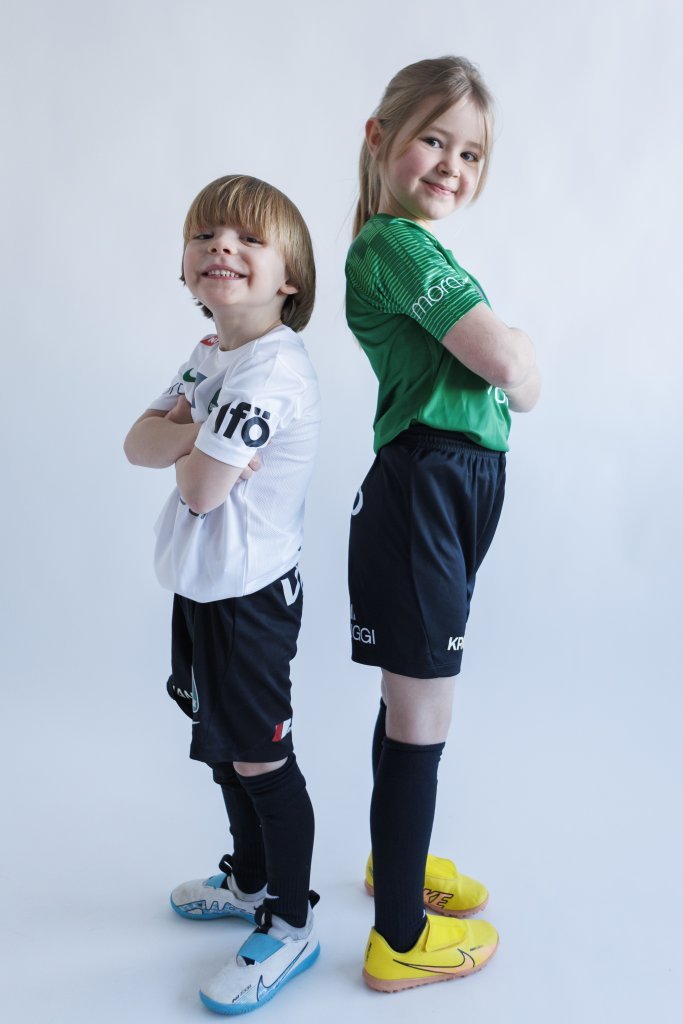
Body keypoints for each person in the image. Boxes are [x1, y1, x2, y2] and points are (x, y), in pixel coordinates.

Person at [346, 56, 541, 993]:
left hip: (450, 484)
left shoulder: (421, 250)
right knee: (424, 706)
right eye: (434, 138)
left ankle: (396, 862)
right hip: (426, 484)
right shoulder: (395, 246)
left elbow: (518, 384)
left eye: (470, 153)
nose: (451, 166)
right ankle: (400, 939)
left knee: (409, 698)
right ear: (380, 137)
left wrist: (516, 362)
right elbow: (507, 365)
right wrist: (520, 348)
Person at [124, 174, 321, 1013]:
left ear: (289, 279)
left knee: (260, 757)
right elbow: (136, 443)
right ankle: (249, 881)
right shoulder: (212, 354)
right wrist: (196, 436)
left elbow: (200, 490)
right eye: (205, 236)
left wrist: (185, 436)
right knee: (222, 746)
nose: (220, 248)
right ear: (184, 264)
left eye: (246, 239)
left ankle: (291, 921)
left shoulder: (270, 370)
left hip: (249, 597)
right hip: (203, 586)